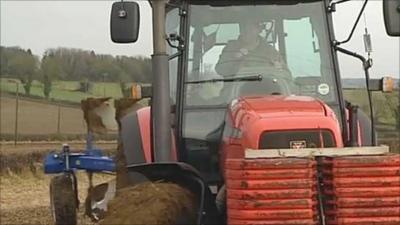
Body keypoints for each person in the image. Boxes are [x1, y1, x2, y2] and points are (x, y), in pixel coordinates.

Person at [215, 19, 289, 77]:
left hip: (266, 92)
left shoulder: (271, 52)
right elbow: (220, 70)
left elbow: (287, 76)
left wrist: (279, 70)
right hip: (233, 93)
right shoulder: (231, 48)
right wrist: (234, 58)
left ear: (259, 29)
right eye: (244, 27)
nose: (246, 31)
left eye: (251, 27)